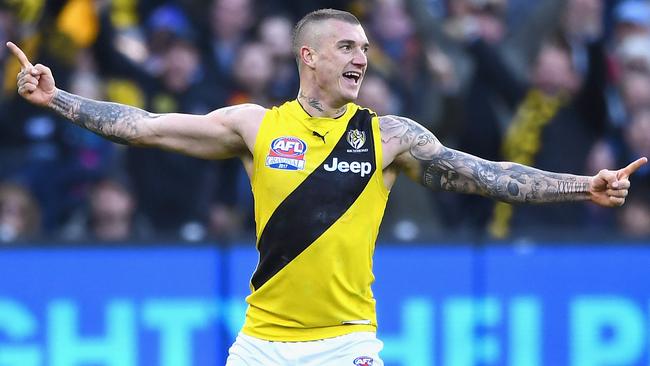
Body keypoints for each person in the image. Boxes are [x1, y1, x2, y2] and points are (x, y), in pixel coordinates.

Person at [7, 8, 647, 365]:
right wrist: (56, 97)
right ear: (308, 57)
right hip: (260, 345)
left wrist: (579, 187)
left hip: (346, 344)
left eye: (365, 48)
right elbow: (143, 127)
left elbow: (488, 177)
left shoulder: (390, 135)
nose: (360, 58)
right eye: (346, 47)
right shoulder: (254, 127)